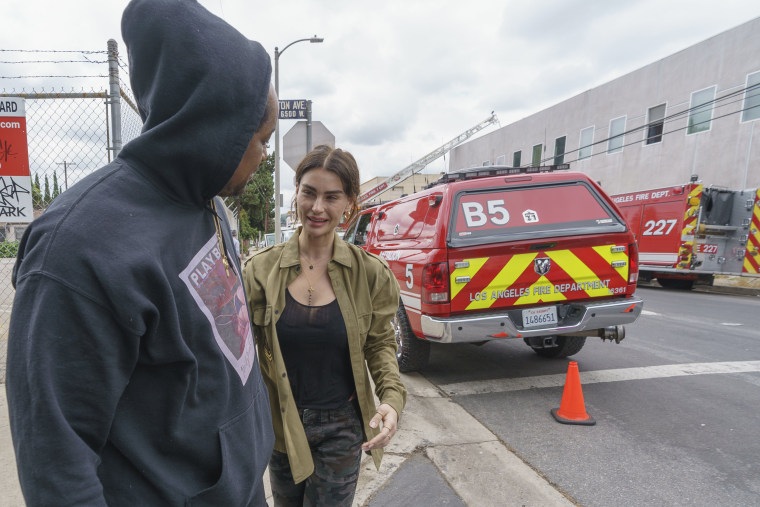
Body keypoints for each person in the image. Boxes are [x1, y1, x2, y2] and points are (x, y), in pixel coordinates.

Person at [6, 1, 277, 505]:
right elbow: (55, 462)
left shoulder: (207, 203)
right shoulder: (76, 250)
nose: (264, 157)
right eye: (259, 140)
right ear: (214, 126)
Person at [243, 145, 406, 506]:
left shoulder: (370, 274)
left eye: (332, 197)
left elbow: (380, 345)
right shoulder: (259, 272)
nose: (317, 208)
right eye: (309, 193)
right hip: (282, 420)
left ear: (349, 203)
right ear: (296, 194)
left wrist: (391, 401)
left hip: (342, 426)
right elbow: (240, 353)